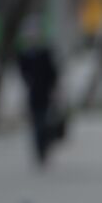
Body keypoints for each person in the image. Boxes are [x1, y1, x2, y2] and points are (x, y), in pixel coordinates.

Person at [15, 24, 65, 168]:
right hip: (33, 94)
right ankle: (39, 150)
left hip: (46, 93)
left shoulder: (45, 52)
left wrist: (56, 90)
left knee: (44, 123)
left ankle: (44, 147)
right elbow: (22, 73)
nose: (32, 39)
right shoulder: (23, 54)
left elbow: (53, 72)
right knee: (37, 123)